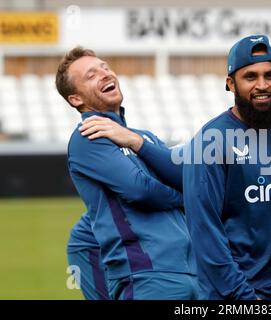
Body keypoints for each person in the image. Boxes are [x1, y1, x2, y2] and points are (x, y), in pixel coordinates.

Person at [182, 35, 271, 300]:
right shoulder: (210, 141)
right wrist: (245, 298)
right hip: (232, 298)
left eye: (269, 75)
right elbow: (205, 234)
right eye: (250, 77)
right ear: (230, 83)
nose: (262, 85)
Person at [56, 46, 198, 300]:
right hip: (147, 277)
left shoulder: (144, 137)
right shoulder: (88, 137)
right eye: (91, 75)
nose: (105, 74)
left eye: (105, 67)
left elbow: (188, 177)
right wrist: (184, 198)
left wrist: (134, 140)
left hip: (193, 275)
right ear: (76, 99)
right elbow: (140, 190)